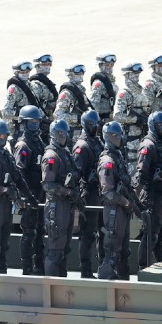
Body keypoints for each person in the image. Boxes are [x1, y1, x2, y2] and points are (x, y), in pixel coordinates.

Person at [0, 120, 37, 274]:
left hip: (5, 206)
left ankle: (1, 276)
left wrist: (29, 197)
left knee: (4, 246)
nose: (2, 138)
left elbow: (18, 178)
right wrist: (3, 189)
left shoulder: (6, 156)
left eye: (5, 135)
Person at [96, 121, 137, 280]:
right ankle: (106, 280)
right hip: (113, 210)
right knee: (112, 250)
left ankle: (122, 279)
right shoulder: (107, 161)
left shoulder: (117, 156)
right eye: (118, 135)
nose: (122, 138)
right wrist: (125, 202)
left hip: (121, 210)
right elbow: (107, 192)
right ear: (111, 137)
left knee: (123, 251)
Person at [133, 112, 162, 268]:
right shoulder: (148, 145)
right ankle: (144, 266)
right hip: (152, 195)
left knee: (161, 233)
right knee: (151, 234)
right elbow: (140, 175)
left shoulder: (161, 143)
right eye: (160, 125)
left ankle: (161, 262)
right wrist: (137, 202)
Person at [41, 119, 79, 277]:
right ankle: (50, 287)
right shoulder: (51, 156)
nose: (63, 136)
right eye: (60, 133)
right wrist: (67, 191)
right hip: (56, 207)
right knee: (55, 250)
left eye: (65, 133)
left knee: (64, 249)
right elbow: (48, 185)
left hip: (66, 205)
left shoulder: (65, 153)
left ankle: (61, 283)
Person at [13, 105, 47, 275]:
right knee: (29, 232)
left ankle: (39, 266)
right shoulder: (23, 145)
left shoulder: (38, 141)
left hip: (40, 193)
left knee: (40, 231)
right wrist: (24, 197)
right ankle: (27, 268)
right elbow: (19, 172)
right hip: (29, 194)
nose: (35, 124)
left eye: (37, 121)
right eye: (31, 121)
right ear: (24, 123)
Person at [73, 110, 104, 278]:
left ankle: (103, 266)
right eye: (92, 124)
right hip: (88, 194)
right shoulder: (82, 146)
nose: (95, 127)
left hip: (100, 192)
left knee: (104, 231)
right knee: (88, 234)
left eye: (96, 124)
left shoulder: (97, 142)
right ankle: (85, 270)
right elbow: (76, 174)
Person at [113, 61, 150, 178]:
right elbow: (117, 115)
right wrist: (135, 119)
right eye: (133, 74)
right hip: (130, 137)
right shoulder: (124, 93)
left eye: (138, 73)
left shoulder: (140, 90)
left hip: (142, 134)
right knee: (132, 166)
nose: (136, 76)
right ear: (127, 75)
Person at [0, 61, 40, 147]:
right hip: (20, 129)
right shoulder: (14, 88)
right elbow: (6, 112)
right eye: (23, 72)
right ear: (17, 73)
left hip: (32, 127)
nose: (26, 74)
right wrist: (21, 116)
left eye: (27, 72)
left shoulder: (30, 85)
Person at [54, 62, 91, 141]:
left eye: (82, 71)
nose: (81, 73)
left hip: (82, 132)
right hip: (71, 133)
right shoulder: (66, 93)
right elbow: (58, 115)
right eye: (77, 72)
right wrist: (77, 118)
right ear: (70, 74)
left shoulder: (81, 90)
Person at [28, 54, 58, 144]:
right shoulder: (35, 84)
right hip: (42, 123)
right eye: (44, 65)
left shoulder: (47, 82)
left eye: (49, 64)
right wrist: (44, 120)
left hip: (50, 118)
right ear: (37, 66)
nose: (47, 67)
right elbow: (34, 103)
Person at [89, 52, 118, 124]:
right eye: (107, 65)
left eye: (111, 65)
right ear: (100, 65)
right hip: (104, 121)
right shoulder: (98, 83)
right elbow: (94, 105)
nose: (110, 67)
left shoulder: (111, 80)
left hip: (112, 119)